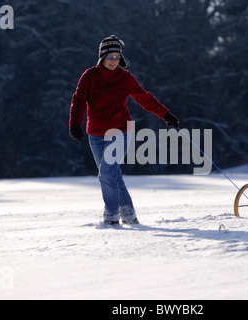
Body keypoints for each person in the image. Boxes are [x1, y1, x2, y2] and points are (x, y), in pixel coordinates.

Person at [69, 35, 179, 226]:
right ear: (102, 57)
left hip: (121, 131)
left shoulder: (125, 78)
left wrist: (165, 114)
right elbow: (78, 101)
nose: (113, 61)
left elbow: (144, 98)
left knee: (106, 173)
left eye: (117, 57)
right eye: (110, 57)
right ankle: (128, 214)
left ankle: (111, 216)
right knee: (112, 174)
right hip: (95, 134)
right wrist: (74, 124)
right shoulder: (89, 76)